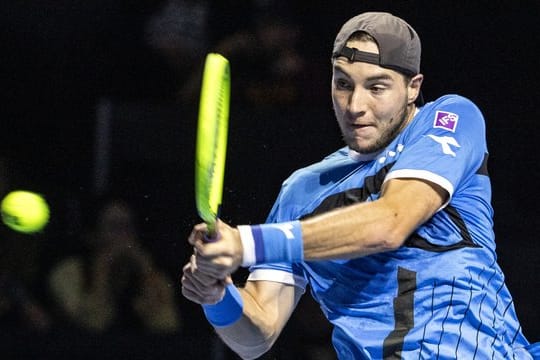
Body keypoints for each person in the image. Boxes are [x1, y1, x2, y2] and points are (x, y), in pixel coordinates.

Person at [181, 12, 540, 359]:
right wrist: (218, 296)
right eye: (343, 84)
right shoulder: (301, 192)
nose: (355, 106)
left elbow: (390, 222)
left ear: (413, 87)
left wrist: (245, 244)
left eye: (376, 87)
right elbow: (255, 340)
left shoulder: (448, 120)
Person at [48, 198, 180, 334]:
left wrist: (146, 272)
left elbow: (166, 327)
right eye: (115, 227)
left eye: (128, 226)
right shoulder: (69, 271)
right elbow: (92, 326)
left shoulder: (154, 275)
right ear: (93, 235)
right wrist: (101, 271)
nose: (124, 235)